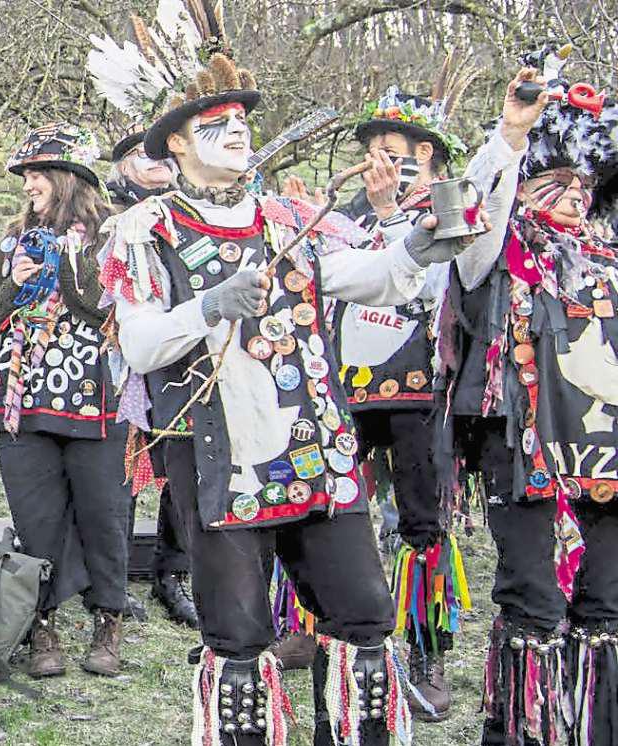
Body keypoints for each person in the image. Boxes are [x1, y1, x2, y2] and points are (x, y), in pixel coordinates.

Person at [96, 33, 477, 743]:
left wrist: (417, 247)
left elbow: (366, 275)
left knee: (363, 613)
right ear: (173, 146)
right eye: (214, 125)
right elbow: (141, 343)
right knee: (237, 633)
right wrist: (209, 305)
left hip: (313, 445)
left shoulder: (285, 221)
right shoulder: (143, 231)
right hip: (218, 452)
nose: (236, 132)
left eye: (242, 122)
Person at [453, 70, 616, 743]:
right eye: (555, 178)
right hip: (523, 455)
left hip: (605, 460)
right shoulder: (494, 248)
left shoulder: (606, 258)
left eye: (585, 182)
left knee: (604, 608)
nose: (573, 195)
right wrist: (510, 137)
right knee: (534, 607)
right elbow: (466, 213)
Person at [334, 83, 493, 721]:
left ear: (424, 155)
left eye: (393, 153)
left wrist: (396, 214)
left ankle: (428, 651)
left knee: (422, 522)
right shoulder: (346, 211)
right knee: (328, 505)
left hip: (419, 388)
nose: (380, 163)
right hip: (347, 386)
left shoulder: (447, 209)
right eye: (373, 151)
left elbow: (429, 282)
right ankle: (319, 625)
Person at [0, 125, 130, 677]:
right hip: (24, 397)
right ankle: (42, 626)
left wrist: (64, 259)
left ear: (67, 180)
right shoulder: (15, 239)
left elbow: (102, 306)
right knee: (36, 516)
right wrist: (16, 282)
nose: (29, 184)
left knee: (103, 513)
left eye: (38, 174)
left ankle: (108, 620)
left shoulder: (111, 238)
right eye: (25, 176)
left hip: (96, 398)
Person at [100, 130, 199, 631]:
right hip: (120, 355)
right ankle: (112, 581)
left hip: (183, 346)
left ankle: (173, 572)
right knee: (125, 466)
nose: (154, 162)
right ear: (121, 165)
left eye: (160, 153)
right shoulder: (109, 213)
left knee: (185, 461)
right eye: (141, 154)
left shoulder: (194, 207)